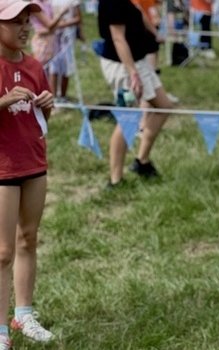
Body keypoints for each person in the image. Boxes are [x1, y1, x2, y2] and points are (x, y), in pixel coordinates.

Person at [0, 1, 57, 348]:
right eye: (14, 22)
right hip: (3, 168)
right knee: (3, 251)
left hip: (34, 164)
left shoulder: (35, 65)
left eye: (26, 21)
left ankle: (23, 314)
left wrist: (47, 110)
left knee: (29, 240)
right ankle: (1, 330)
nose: (24, 28)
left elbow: (37, 125)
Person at [97, 0, 175, 187]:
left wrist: (155, 34)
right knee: (128, 119)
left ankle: (141, 161)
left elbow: (139, 12)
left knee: (164, 106)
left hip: (139, 61)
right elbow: (118, 38)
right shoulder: (111, 3)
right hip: (122, 65)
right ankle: (115, 180)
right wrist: (132, 72)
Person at [48, 0, 82, 103]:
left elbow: (78, 18)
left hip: (67, 37)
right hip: (54, 37)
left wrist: (62, 24)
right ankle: (53, 97)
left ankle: (63, 96)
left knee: (66, 66)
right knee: (53, 67)